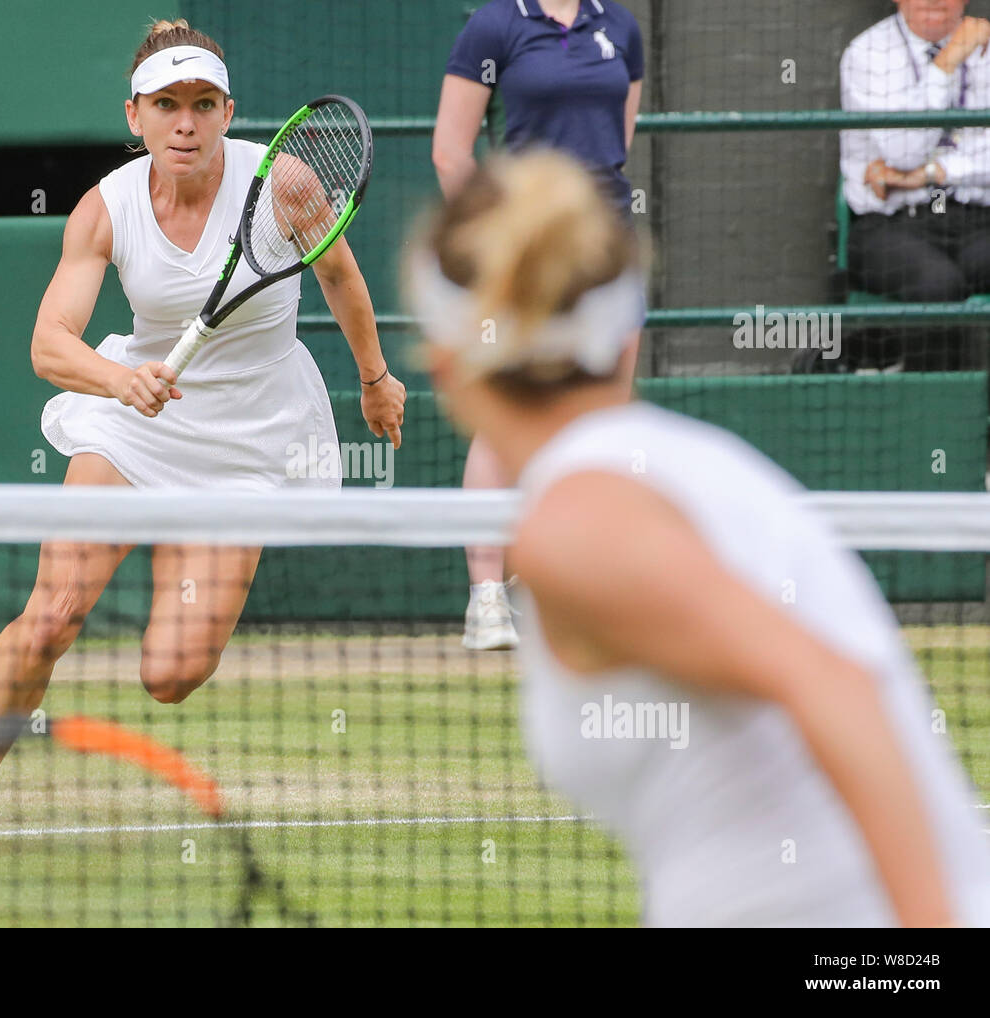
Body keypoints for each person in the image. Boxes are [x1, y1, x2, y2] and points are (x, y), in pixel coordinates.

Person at [407, 149, 990, 926]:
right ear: (624, 342)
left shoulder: (578, 524)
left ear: (446, 367)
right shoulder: (682, 466)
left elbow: (832, 687)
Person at [0, 19, 405, 849]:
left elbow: (340, 275)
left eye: (203, 104)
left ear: (227, 111)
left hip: (253, 441)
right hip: (134, 425)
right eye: (167, 104)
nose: (186, 122)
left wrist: (374, 378)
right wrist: (120, 380)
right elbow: (50, 343)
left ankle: (184, 547)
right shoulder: (105, 207)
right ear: (134, 116)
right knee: (54, 613)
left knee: (170, 677)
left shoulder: (284, 183)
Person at [432, 0, 644, 650]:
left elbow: (619, 143)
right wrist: (501, 242)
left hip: (606, 250)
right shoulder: (494, 26)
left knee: (600, 423)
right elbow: (450, 152)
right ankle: (488, 600)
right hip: (521, 256)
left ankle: (572, 595)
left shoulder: (621, 27)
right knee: (506, 417)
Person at [836, 0, 990, 371]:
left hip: (975, 219)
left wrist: (931, 174)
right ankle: (937, 411)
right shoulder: (868, 52)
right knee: (936, 286)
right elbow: (903, 150)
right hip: (891, 225)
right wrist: (947, 62)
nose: (933, 1)